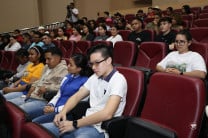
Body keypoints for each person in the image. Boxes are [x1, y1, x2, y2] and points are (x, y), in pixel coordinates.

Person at [41, 44, 127, 138]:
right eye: (91, 64)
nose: (93, 67)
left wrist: (74, 124)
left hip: (100, 129)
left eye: (97, 63)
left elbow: (107, 114)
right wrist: (63, 111)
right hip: (84, 122)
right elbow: (76, 96)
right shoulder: (94, 77)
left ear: (108, 60)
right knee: (41, 130)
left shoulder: (118, 80)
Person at [7, 47, 68, 119]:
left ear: (58, 58)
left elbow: (62, 88)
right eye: (46, 59)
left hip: (43, 100)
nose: (46, 62)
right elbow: (39, 80)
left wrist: (47, 88)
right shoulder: (46, 67)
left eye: (49, 59)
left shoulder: (64, 70)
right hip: (32, 95)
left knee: (16, 112)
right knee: (7, 106)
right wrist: (33, 85)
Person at [33, 53, 93, 123]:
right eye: (68, 64)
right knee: (28, 116)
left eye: (71, 65)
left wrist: (55, 110)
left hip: (67, 113)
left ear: (79, 68)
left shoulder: (85, 82)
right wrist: (50, 105)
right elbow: (58, 95)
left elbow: (78, 105)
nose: (68, 66)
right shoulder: (67, 76)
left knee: (35, 123)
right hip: (54, 107)